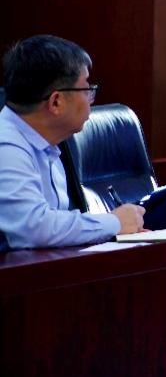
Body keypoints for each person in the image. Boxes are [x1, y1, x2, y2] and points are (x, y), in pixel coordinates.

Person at [0, 35, 145, 249]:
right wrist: (114, 223)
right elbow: (34, 229)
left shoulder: (46, 142)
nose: (91, 100)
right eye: (86, 90)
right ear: (56, 102)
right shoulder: (6, 146)